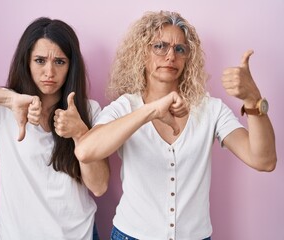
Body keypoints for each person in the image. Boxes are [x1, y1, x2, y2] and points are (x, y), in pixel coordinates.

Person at [74, 10, 277, 240]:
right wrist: (151, 111)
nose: (170, 55)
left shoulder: (210, 109)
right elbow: (85, 150)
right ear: (143, 53)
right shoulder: (125, 107)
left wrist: (253, 99)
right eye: (159, 46)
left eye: (180, 49)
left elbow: (264, 160)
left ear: (187, 58)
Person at [0, 17, 109, 240]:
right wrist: (8, 99)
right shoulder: (4, 108)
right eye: (40, 60)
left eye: (60, 62)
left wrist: (80, 133)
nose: (49, 72)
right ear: (27, 62)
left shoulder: (89, 111)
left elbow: (99, 186)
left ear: (71, 66)